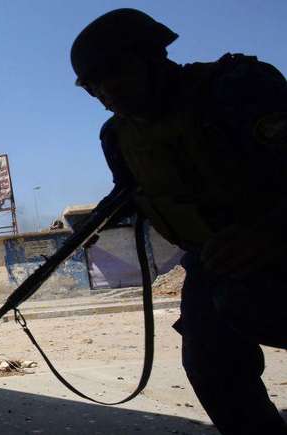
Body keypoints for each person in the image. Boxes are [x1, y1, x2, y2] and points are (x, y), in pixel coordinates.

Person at [71, 8, 287, 435]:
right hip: (213, 260)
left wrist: (269, 233)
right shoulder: (118, 136)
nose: (102, 92)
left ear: (152, 57)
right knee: (210, 362)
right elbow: (130, 194)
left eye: (111, 75)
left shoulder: (238, 88)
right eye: (91, 85)